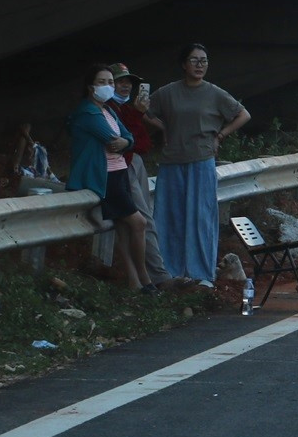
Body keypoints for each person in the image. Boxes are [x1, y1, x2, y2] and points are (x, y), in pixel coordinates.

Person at [146, 44, 249, 288]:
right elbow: (144, 111)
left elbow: (243, 114)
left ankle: (202, 273)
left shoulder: (214, 93)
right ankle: (169, 272)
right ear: (184, 64)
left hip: (202, 160)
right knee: (169, 216)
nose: (200, 65)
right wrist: (164, 128)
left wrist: (220, 135)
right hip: (172, 161)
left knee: (201, 217)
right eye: (194, 60)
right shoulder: (168, 92)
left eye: (204, 60)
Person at [67, 65, 155, 294]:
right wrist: (124, 141)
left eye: (110, 82)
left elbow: (128, 138)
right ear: (90, 87)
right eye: (103, 82)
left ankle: (134, 281)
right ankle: (145, 279)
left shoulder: (108, 111)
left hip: (119, 171)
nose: (108, 87)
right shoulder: (88, 112)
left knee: (124, 227)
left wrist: (126, 142)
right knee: (139, 223)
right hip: (104, 177)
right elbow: (110, 138)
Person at [105, 63, 173, 289]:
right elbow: (121, 140)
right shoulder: (109, 108)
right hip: (121, 166)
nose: (125, 86)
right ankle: (158, 277)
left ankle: (147, 278)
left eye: (129, 82)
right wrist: (136, 116)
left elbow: (142, 143)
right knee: (142, 220)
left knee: (139, 221)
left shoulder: (127, 109)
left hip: (133, 162)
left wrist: (136, 120)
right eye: (120, 81)